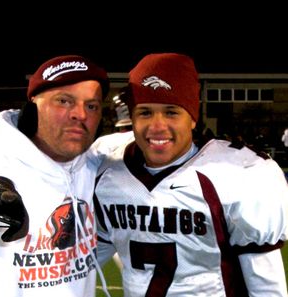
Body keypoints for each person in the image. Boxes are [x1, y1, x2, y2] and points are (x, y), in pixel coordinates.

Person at [94, 53, 288, 296]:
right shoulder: (108, 169)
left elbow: (267, 287)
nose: (157, 126)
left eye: (171, 112)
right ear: (131, 118)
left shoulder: (237, 175)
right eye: (145, 112)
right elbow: (78, 267)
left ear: (193, 118)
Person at [0, 54, 130, 297]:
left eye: (91, 105)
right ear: (32, 109)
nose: (80, 114)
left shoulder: (92, 166)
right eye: (64, 101)